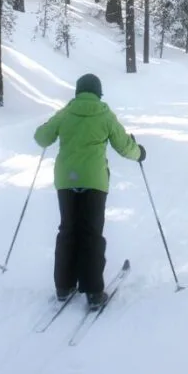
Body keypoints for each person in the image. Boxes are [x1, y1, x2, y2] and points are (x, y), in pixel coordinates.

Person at [34, 73, 146, 309]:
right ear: (98, 92)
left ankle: (63, 286)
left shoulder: (66, 113)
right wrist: (140, 152)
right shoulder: (105, 114)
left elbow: (41, 137)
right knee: (91, 232)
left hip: (66, 181)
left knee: (67, 230)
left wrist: (49, 129)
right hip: (94, 181)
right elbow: (124, 146)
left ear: (78, 91)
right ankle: (94, 291)